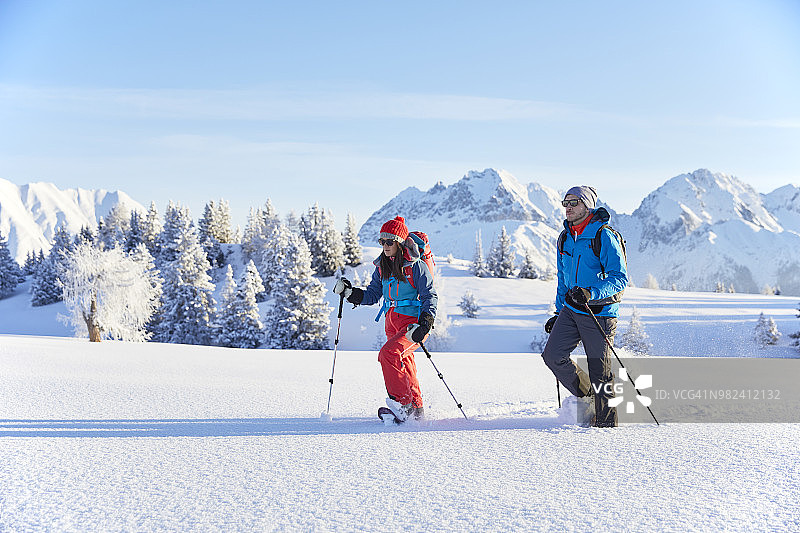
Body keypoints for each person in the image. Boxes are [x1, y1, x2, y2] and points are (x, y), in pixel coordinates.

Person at [333, 216, 438, 422]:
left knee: (388, 354)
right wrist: (349, 293)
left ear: (399, 243)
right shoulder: (382, 266)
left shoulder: (416, 266)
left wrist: (425, 324)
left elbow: (429, 295)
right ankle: (416, 411)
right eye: (382, 242)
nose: (385, 246)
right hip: (392, 320)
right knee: (405, 363)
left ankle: (402, 406)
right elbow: (372, 294)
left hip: (413, 324)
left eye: (389, 242)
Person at [541, 186, 628, 427]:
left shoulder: (604, 235)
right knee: (553, 356)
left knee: (600, 371)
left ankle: (607, 424)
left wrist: (591, 293)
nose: (568, 207)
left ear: (587, 206)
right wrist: (558, 312)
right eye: (565, 203)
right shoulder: (565, 237)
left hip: (599, 312)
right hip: (571, 310)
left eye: (574, 202)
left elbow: (620, 278)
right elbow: (563, 279)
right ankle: (588, 397)